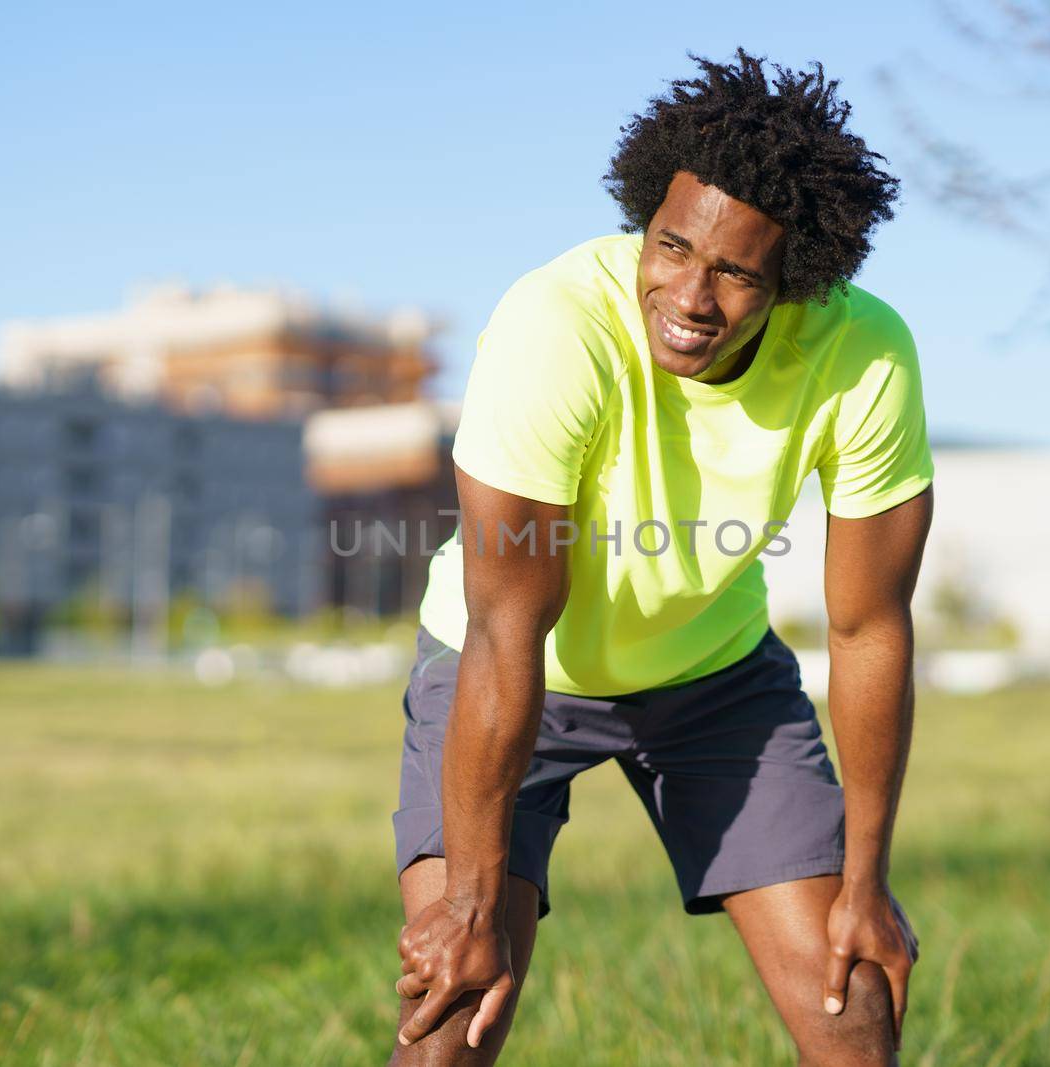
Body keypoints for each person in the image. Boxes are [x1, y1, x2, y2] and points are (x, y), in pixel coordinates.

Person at [388, 48, 934, 1066]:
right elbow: (509, 622)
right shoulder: (555, 324)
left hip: (711, 675)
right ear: (645, 215)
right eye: (672, 245)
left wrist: (865, 880)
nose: (689, 292)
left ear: (796, 280)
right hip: (510, 670)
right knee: (456, 1006)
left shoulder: (863, 355)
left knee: (848, 993)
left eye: (734, 271)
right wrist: (469, 898)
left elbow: (868, 625)